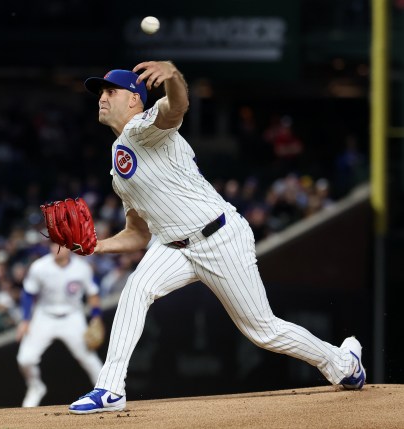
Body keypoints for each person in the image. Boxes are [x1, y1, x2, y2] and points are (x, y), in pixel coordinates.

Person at [67, 61, 366, 414]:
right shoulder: (118, 167)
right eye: (100, 92)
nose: (102, 97)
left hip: (219, 237)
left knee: (262, 330)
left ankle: (343, 363)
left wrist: (174, 76)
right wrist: (96, 245)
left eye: (110, 91)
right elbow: (137, 234)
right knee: (136, 289)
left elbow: (176, 107)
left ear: (134, 100)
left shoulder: (145, 127)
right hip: (171, 246)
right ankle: (110, 388)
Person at [16, 242, 103, 408]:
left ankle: (105, 391)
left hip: (72, 317)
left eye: (61, 245)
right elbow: (28, 293)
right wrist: (26, 320)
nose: (56, 249)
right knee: (25, 359)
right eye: (53, 245)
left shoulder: (82, 268)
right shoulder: (40, 267)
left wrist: (96, 317)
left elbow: (93, 293)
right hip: (44, 316)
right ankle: (36, 387)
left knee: (90, 360)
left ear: (69, 247)